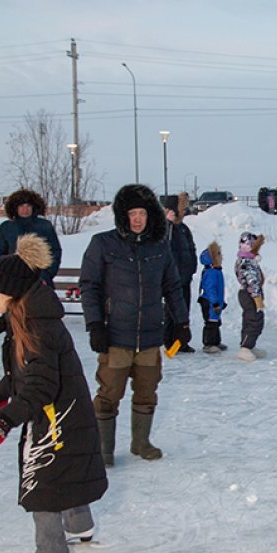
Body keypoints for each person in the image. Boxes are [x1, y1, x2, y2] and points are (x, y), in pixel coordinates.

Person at [0, 233, 108, 553]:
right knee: (66, 469)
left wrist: (6, 420)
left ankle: (51, 552)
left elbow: (41, 383)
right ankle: (80, 524)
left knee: (42, 479)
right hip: (66, 410)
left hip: (54, 416)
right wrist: (6, 389)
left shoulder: (35, 326)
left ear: (12, 291)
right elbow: (26, 369)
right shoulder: (31, 317)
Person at [79, 184, 190, 465]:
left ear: (150, 215)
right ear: (122, 215)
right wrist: (95, 324)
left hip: (150, 337)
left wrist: (182, 322)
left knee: (146, 392)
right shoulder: (103, 244)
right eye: (132, 213)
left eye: (142, 212)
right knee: (109, 394)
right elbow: (89, 286)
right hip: (116, 336)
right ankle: (103, 449)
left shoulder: (159, 247)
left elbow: (173, 287)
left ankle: (141, 443)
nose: (137, 219)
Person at [0, 188, 62, 285]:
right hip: (13, 281)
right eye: (21, 206)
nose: (25, 209)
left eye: (28, 206)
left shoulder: (44, 225)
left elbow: (54, 251)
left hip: (40, 280)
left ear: (34, 207)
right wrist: (7, 274)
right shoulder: (6, 227)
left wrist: (46, 275)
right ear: (15, 208)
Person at [164, 194, 198, 353]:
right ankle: (169, 342)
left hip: (185, 277)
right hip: (171, 279)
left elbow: (191, 248)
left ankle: (181, 342)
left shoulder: (183, 229)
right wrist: (167, 223)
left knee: (184, 311)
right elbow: (161, 245)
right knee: (172, 311)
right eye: (181, 209)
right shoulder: (166, 228)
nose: (183, 212)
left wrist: (193, 266)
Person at [235, 232, 267, 361]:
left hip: (250, 293)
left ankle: (250, 345)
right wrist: (257, 298)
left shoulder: (249, 260)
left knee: (253, 319)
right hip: (249, 295)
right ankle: (245, 347)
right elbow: (251, 280)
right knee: (253, 320)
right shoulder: (246, 262)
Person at [197, 241, 227, 353]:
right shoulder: (211, 273)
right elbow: (210, 289)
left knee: (216, 322)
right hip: (209, 303)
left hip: (215, 303)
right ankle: (208, 344)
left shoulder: (216, 272)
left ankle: (216, 342)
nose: (221, 257)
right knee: (210, 323)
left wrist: (221, 302)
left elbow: (219, 290)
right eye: (218, 254)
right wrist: (214, 302)